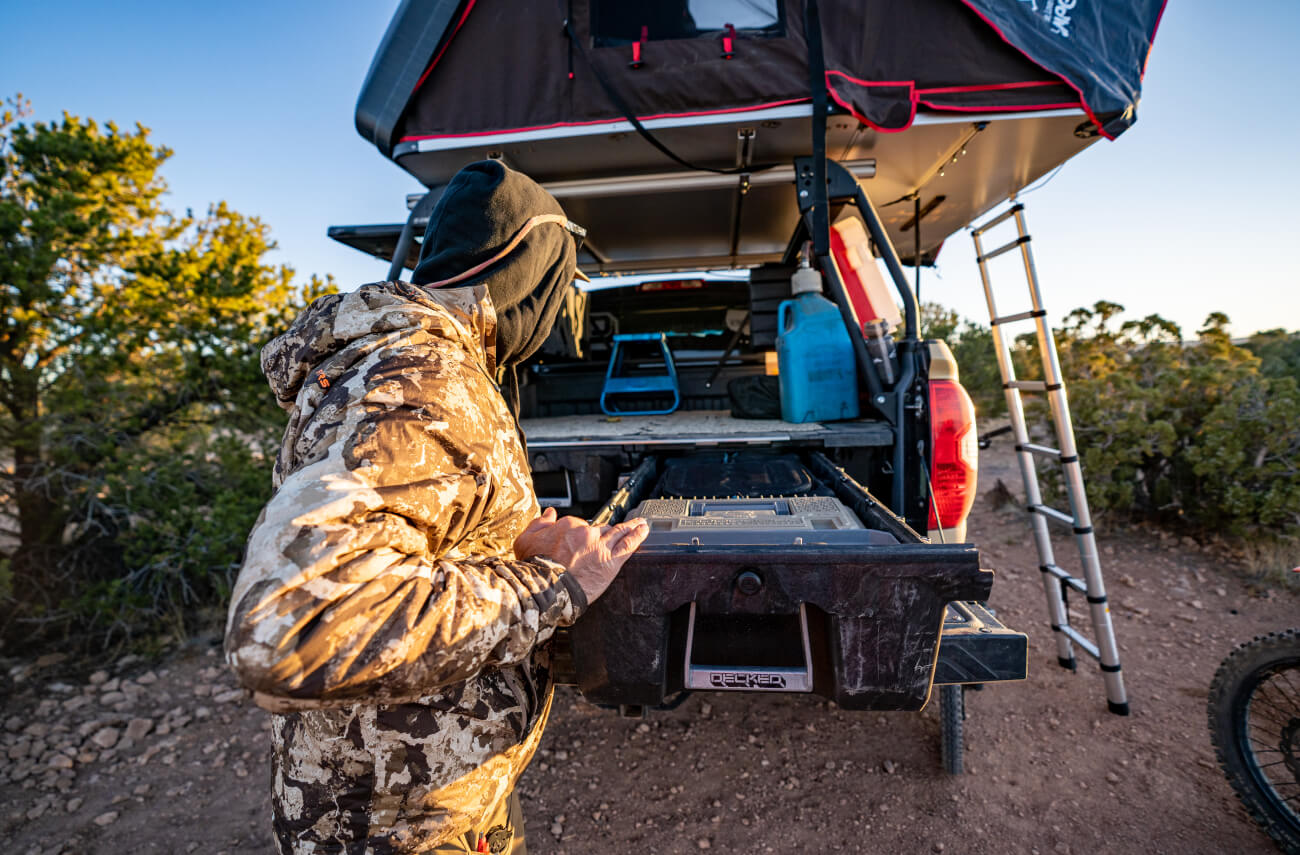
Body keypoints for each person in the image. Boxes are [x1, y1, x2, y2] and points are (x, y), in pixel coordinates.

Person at [225, 160, 649, 854]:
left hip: (392, 804)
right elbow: (289, 627)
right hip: (399, 828)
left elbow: (395, 557)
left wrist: (503, 552)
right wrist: (556, 584)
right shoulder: (426, 380)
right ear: (529, 274)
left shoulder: (386, 360)